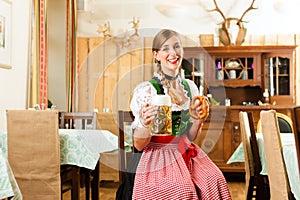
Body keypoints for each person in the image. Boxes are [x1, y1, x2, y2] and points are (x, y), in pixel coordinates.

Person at [116, 29, 231, 200]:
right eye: (166, 48)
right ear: (156, 55)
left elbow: (190, 137)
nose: (173, 53)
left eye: (177, 47)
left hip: (184, 151)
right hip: (155, 155)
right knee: (181, 190)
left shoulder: (190, 87)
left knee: (215, 180)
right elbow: (139, 145)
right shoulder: (147, 90)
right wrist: (146, 124)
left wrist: (198, 119)